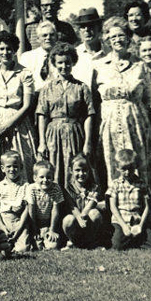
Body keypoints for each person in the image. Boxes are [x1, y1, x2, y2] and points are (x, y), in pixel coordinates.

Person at [94, 17, 151, 194]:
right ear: (107, 40)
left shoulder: (140, 65)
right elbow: (95, 99)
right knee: (113, 166)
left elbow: (147, 98)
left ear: (129, 38)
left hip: (136, 126)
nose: (117, 40)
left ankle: (142, 208)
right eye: (113, 37)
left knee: (138, 166)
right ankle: (115, 212)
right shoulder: (99, 66)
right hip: (110, 127)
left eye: (121, 36)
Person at [36, 42, 95, 192]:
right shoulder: (47, 88)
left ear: (73, 62)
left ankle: (75, 208)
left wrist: (87, 142)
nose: (64, 66)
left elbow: (89, 115)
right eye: (60, 63)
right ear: (54, 64)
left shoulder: (81, 87)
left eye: (67, 62)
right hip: (53, 134)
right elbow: (42, 115)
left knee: (75, 167)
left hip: (75, 133)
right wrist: (42, 142)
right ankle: (57, 208)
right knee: (54, 169)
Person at [0, 31, 38, 182]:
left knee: (20, 163)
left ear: (14, 50)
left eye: (9, 49)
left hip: (17, 123)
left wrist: (7, 125)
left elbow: (27, 105)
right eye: (1, 49)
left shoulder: (24, 73)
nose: (5, 52)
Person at [107, 149, 151, 250]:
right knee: (116, 246)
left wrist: (140, 225)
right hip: (121, 221)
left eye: (131, 169)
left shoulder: (141, 184)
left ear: (135, 167)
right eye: (124, 169)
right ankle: (130, 239)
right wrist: (124, 226)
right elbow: (113, 207)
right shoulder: (115, 184)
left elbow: (147, 207)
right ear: (117, 168)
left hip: (138, 221)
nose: (127, 172)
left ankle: (134, 239)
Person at [0, 151, 31, 253]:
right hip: (2, 221)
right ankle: (7, 246)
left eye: (15, 166)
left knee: (23, 249)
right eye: (8, 166)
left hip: (19, 221)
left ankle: (16, 244)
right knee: (0, 247)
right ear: (2, 168)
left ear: (21, 167)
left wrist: (19, 228)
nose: (12, 169)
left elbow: (27, 209)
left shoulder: (26, 186)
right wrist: (3, 227)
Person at [62, 154, 105, 249]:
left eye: (84, 170)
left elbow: (91, 203)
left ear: (89, 171)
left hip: (88, 221)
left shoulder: (94, 187)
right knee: (68, 220)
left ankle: (92, 241)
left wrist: (84, 215)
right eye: (77, 170)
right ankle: (73, 241)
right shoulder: (68, 189)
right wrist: (79, 217)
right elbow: (71, 206)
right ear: (71, 171)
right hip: (76, 222)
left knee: (95, 213)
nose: (81, 173)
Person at [25, 161, 64, 250]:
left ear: (53, 178)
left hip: (49, 222)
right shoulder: (31, 188)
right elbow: (31, 211)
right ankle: (35, 239)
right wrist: (35, 231)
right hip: (34, 223)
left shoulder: (56, 188)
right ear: (35, 178)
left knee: (52, 246)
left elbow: (55, 210)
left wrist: (52, 230)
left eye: (48, 177)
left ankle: (48, 238)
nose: (45, 180)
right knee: (37, 246)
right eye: (41, 177)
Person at [20, 20, 59, 94]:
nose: (48, 38)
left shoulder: (62, 56)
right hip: (33, 98)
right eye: (44, 35)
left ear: (56, 37)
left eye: (52, 35)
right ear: (38, 39)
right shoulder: (27, 57)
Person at [73, 8, 107, 91]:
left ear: (99, 28)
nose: (86, 30)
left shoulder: (110, 53)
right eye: (83, 27)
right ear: (79, 31)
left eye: (91, 26)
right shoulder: (74, 54)